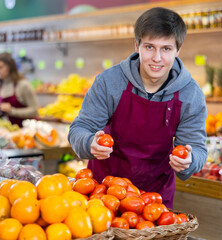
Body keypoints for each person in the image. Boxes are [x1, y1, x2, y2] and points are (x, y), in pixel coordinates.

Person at [68, 7, 207, 208]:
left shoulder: (190, 95)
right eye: (149, 47)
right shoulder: (109, 82)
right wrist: (90, 143)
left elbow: (198, 149)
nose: (157, 58)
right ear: (137, 45)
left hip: (155, 199)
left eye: (166, 49)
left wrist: (189, 161)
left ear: (178, 50)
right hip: (103, 193)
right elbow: (79, 129)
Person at [0, 52, 39, 127]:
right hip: (10, 131)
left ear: (9, 67)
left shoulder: (23, 85)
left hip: (27, 131)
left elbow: (34, 110)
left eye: (1, 67)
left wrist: (11, 110)